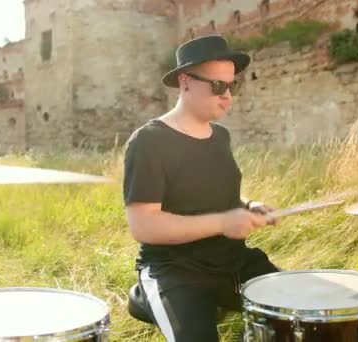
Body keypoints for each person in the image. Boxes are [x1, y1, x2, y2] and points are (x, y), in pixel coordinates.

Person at [123, 35, 281, 342]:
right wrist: (223, 222)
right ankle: (148, 296)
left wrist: (249, 206)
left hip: (232, 260)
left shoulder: (220, 136)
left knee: (300, 308)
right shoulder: (148, 141)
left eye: (232, 86)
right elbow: (143, 225)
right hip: (174, 270)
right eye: (218, 86)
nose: (227, 96)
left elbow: (219, 194)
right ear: (185, 82)